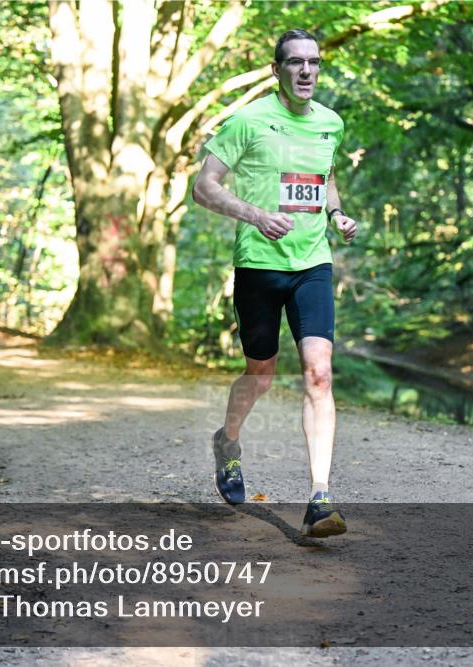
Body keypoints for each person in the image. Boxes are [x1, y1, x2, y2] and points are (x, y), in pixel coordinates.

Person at [192, 29, 358, 537]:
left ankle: (320, 498)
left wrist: (336, 213)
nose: (306, 71)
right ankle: (228, 441)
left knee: (319, 374)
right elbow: (203, 187)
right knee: (260, 375)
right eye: (295, 63)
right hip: (259, 264)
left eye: (314, 62)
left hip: (312, 262)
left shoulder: (331, 123)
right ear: (276, 70)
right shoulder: (248, 121)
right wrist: (256, 215)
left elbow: (326, 178)